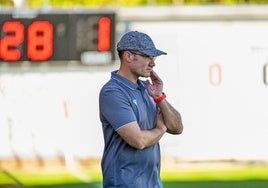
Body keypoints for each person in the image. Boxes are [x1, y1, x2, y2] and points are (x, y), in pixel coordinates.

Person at [99, 31, 183, 188]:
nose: (153, 63)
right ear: (128, 56)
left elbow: (177, 128)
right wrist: (160, 129)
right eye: (147, 56)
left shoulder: (147, 88)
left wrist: (160, 98)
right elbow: (139, 140)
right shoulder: (113, 92)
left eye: (153, 58)